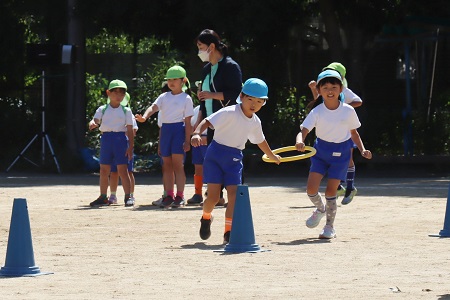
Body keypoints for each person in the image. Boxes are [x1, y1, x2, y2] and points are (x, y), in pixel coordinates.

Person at [191, 78, 281, 244]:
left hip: (234, 159)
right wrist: (196, 133)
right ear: (241, 96)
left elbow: (260, 140)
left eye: (259, 101)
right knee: (213, 198)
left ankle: (228, 232)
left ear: (263, 103)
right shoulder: (229, 112)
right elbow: (207, 121)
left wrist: (271, 155)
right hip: (215, 155)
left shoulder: (255, 122)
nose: (254, 104)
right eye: (250, 99)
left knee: (234, 196)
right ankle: (206, 217)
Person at [296, 70, 372, 239]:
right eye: (325, 87)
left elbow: (354, 133)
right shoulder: (317, 111)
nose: (330, 91)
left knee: (331, 191)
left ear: (340, 89)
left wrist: (362, 149)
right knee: (310, 189)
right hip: (320, 153)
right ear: (319, 90)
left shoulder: (348, 111)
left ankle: (329, 227)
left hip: (341, 154)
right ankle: (320, 209)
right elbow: (303, 131)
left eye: (334, 87)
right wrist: (300, 141)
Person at [190, 29, 243, 206]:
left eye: (201, 47)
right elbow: (204, 96)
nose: (199, 51)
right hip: (211, 121)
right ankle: (217, 195)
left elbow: (236, 93)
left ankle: (236, 195)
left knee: (232, 157)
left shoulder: (230, 66)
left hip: (228, 121)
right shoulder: (206, 69)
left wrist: (212, 95)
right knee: (213, 158)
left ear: (212, 46)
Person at [136, 66, 194, 208]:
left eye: (175, 79)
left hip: (178, 131)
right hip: (166, 131)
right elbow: (153, 107)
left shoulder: (186, 99)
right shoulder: (163, 97)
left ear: (183, 81)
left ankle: (180, 195)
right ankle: (169, 195)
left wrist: (187, 141)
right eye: (169, 80)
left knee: (178, 165)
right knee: (166, 165)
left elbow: (187, 122)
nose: (171, 82)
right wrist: (144, 117)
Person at [308, 62, 363, 205]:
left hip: (344, 133)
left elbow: (358, 101)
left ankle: (350, 188)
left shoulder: (344, 90)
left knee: (348, 159)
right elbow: (318, 101)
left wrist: (342, 110)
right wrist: (314, 89)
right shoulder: (325, 92)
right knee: (327, 160)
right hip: (328, 135)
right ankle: (338, 188)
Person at [88, 79, 135, 207]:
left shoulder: (126, 111)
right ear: (108, 93)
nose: (118, 95)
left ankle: (128, 196)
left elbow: (130, 130)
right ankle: (103, 196)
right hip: (106, 139)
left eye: (121, 93)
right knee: (104, 169)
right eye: (115, 92)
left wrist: (130, 147)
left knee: (122, 170)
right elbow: (96, 119)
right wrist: (93, 123)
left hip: (120, 140)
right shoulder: (102, 109)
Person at [108, 92, 138, 204]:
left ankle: (130, 195)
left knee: (128, 171)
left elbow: (133, 131)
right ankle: (113, 195)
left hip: (125, 145)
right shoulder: (109, 111)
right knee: (113, 171)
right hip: (114, 145)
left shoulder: (128, 113)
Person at [186, 105, 208, 205]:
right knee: (198, 167)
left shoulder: (212, 106)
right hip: (197, 141)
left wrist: (208, 139)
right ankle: (198, 194)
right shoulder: (196, 109)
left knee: (211, 168)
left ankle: (212, 194)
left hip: (208, 139)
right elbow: (191, 128)